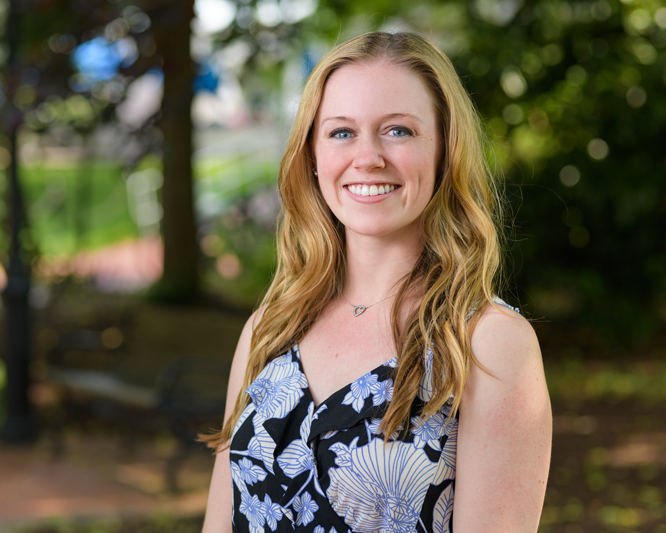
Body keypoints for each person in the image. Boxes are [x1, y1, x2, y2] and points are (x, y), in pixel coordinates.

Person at [201, 31, 552, 532]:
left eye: (398, 131)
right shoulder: (269, 329)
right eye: (341, 132)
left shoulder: (490, 344)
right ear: (313, 156)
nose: (367, 158)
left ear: (444, 151)